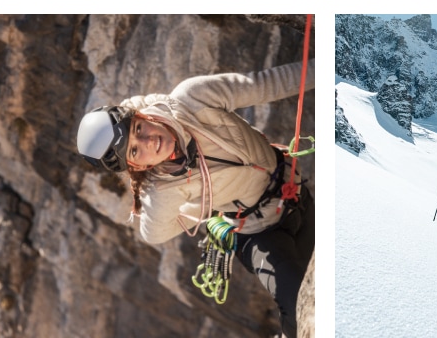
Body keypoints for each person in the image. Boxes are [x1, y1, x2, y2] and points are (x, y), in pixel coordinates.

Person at [74, 62, 312, 338]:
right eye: (136, 152)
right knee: (298, 309)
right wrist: (203, 210)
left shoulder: (194, 98)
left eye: (138, 130)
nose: (150, 142)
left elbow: (269, 83)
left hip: (295, 194)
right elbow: (152, 233)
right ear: (136, 167)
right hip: (257, 233)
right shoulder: (162, 191)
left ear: (140, 116)